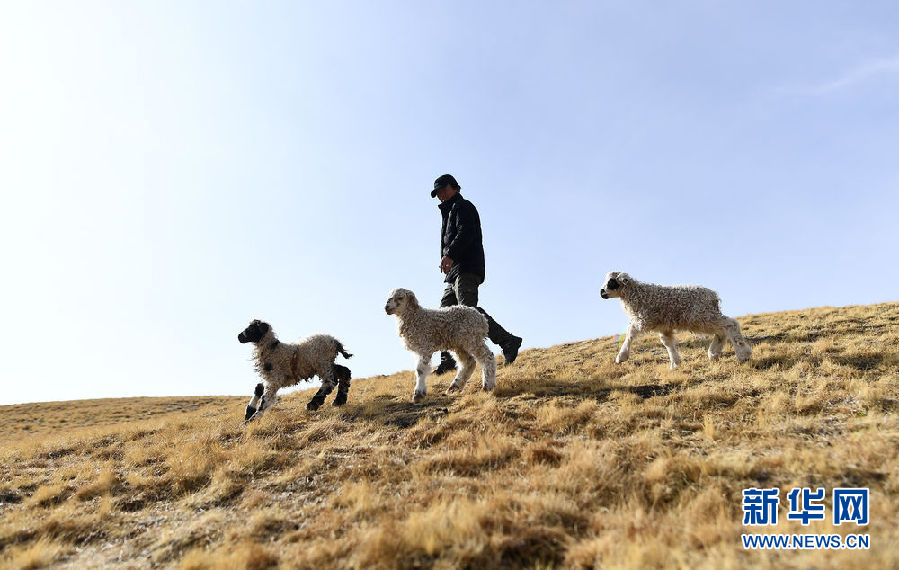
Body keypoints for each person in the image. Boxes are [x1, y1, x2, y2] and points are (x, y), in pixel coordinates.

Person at [430, 173, 523, 374]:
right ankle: (448, 361)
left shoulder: (463, 206)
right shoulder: (449, 212)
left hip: (467, 267)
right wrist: (448, 259)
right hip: (454, 272)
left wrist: (450, 255)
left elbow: (466, 233)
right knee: (444, 315)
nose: (440, 196)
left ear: (454, 188)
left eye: (442, 191)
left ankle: (508, 341)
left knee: (468, 313)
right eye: (437, 193)